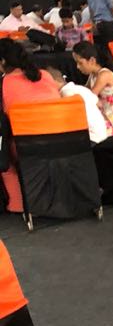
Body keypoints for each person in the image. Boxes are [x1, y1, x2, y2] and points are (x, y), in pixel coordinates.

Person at [0, 37, 60, 213]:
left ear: (2, 61)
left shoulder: (4, 83)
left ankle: (17, 204)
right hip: (64, 143)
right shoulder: (46, 75)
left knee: (3, 154)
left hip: (26, 147)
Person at [45, 66, 109, 144]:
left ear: (53, 82)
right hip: (102, 135)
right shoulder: (80, 88)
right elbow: (99, 104)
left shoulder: (67, 94)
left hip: (90, 139)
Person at [71, 41, 113, 136]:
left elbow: (90, 96)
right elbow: (85, 90)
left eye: (80, 63)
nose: (77, 67)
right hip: (99, 115)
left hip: (108, 120)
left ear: (92, 60)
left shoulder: (104, 75)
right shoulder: (93, 75)